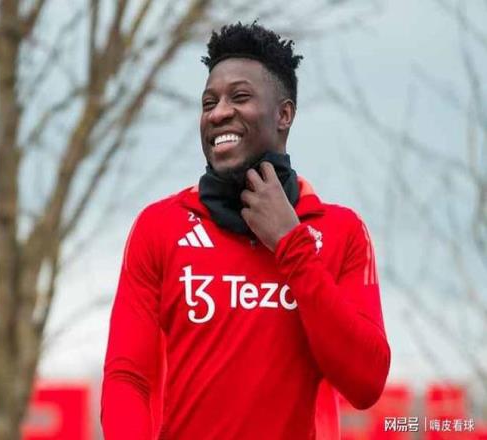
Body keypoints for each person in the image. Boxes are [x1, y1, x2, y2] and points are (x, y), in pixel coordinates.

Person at [101, 21, 391, 440]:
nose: (218, 113)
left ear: (284, 114)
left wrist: (291, 245)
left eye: (239, 97)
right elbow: (128, 377)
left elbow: (366, 383)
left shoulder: (340, 232)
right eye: (209, 102)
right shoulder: (160, 227)